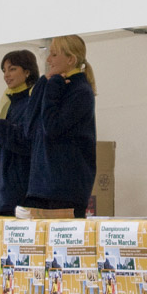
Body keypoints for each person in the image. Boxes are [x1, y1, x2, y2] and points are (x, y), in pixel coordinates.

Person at [21, 35, 97, 218]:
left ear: (71, 59)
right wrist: (42, 84)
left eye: (54, 55)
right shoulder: (53, 85)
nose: (48, 60)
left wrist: (53, 86)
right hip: (41, 186)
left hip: (65, 189)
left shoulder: (80, 91)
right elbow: (28, 128)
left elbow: (52, 127)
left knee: (60, 238)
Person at [0, 49, 39, 216]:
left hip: (18, 188)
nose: (6, 75)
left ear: (27, 72)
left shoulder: (32, 102)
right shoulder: (7, 102)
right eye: (4, 70)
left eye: (12, 69)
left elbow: (26, 141)